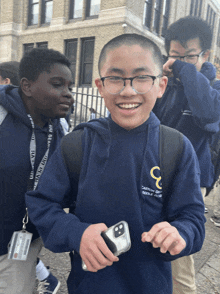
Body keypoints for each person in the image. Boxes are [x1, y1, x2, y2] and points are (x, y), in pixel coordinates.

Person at [25, 33, 205, 294]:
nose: (128, 90)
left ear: (161, 85)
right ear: (100, 85)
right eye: (115, 78)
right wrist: (77, 233)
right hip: (89, 286)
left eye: (142, 77)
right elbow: (41, 204)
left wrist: (181, 233)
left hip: (152, 286)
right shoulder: (77, 145)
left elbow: (193, 218)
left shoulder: (176, 147)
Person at [153, 16, 220, 294]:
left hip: (190, 179)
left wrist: (185, 69)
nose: (178, 62)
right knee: (156, 239)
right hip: (156, 173)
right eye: (174, 55)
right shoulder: (166, 84)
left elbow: (208, 113)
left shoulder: (212, 88)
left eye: (188, 56)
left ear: (205, 55)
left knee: (177, 248)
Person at [0, 48, 74, 294]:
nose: (68, 95)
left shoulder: (59, 129)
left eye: (70, 87)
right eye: (57, 84)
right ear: (27, 86)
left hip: (22, 244)